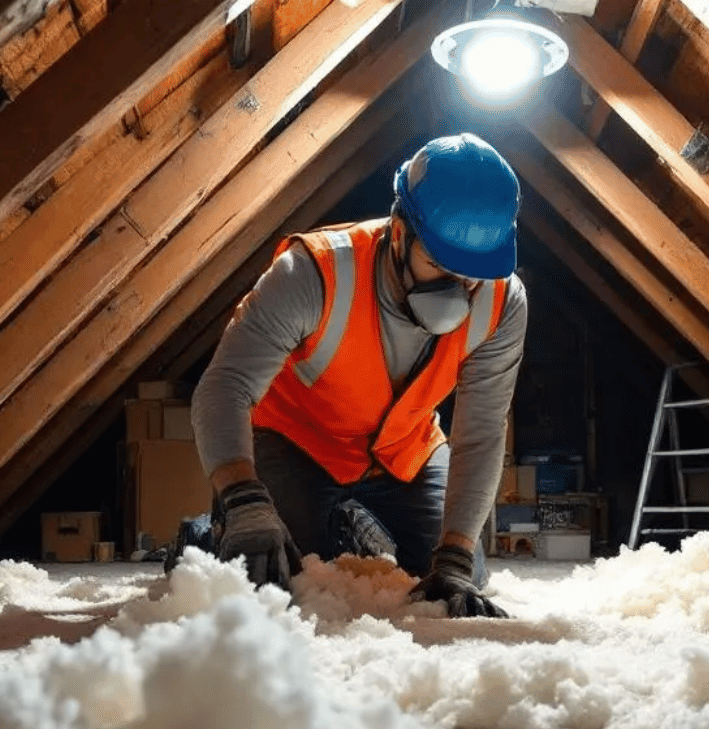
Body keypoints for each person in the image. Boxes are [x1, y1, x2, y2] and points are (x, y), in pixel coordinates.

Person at [189, 132, 528, 618]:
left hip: (404, 451)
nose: (458, 290)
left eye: (473, 272)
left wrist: (453, 554)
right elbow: (224, 386)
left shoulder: (502, 301)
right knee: (274, 573)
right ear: (399, 229)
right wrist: (243, 498)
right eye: (437, 264)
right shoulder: (314, 272)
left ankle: (357, 530)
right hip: (297, 442)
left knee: (459, 577)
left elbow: (481, 433)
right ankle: (209, 529)